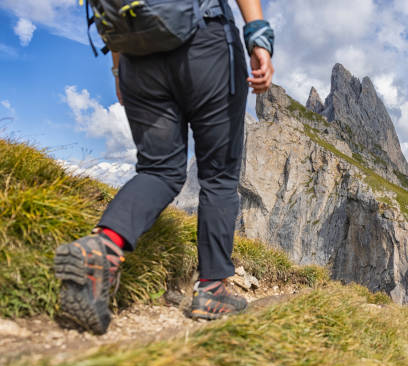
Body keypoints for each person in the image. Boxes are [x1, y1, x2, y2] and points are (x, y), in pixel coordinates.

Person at [53, 0, 274, 335]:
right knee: (218, 176)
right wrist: (258, 35)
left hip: (134, 55)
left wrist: (118, 70)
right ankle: (212, 290)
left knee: (158, 170)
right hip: (206, 43)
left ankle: (103, 248)